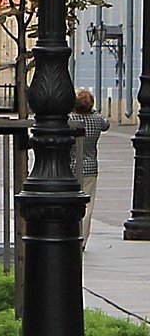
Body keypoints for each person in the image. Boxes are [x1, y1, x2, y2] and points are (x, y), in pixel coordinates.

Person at [68, 87, 109, 250]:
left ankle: (70, 234)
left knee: (71, 203)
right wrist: (93, 111)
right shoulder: (96, 119)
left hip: (71, 165)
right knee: (87, 206)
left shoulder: (69, 119)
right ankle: (82, 240)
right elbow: (106, 125)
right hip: (90, 167)